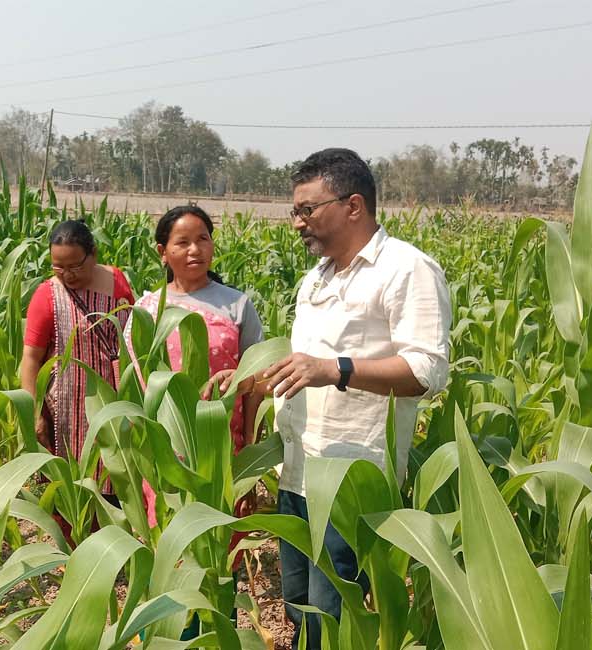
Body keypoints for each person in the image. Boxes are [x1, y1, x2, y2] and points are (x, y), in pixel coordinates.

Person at [209, 148, 450, 650]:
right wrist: (252, 378)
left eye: (307, 209)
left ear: (353, 205)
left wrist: (336, 369)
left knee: (333, 617)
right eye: (294, 211)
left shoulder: (405, 269)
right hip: (297, 471)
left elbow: (427, 372)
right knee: (300, 609)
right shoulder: (315, 279)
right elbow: (306, 367)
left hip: (350, 478)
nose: (297, 223)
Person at [126, 205, 264, 530]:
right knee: (170, 536)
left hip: (222, 448)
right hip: (164, 452)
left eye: (203, 239)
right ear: (163, 252)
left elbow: (256, 381)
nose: (194, 250)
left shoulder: (237, 305)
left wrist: (251, 452)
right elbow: (133, 385)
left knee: (222, 542)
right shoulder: (146, 311)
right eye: (183, 242)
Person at [18, 219, 133, 543]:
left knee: (115, 474)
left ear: (93, 254)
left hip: (112, 404)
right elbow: (30, 358)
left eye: (75, 266)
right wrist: (34, 412)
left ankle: (112, 548)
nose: (67, 274)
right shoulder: (47, 295)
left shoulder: (118, 282)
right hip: (66, 413)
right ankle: (72, 554)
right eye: (59, 267)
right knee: (70, 484)